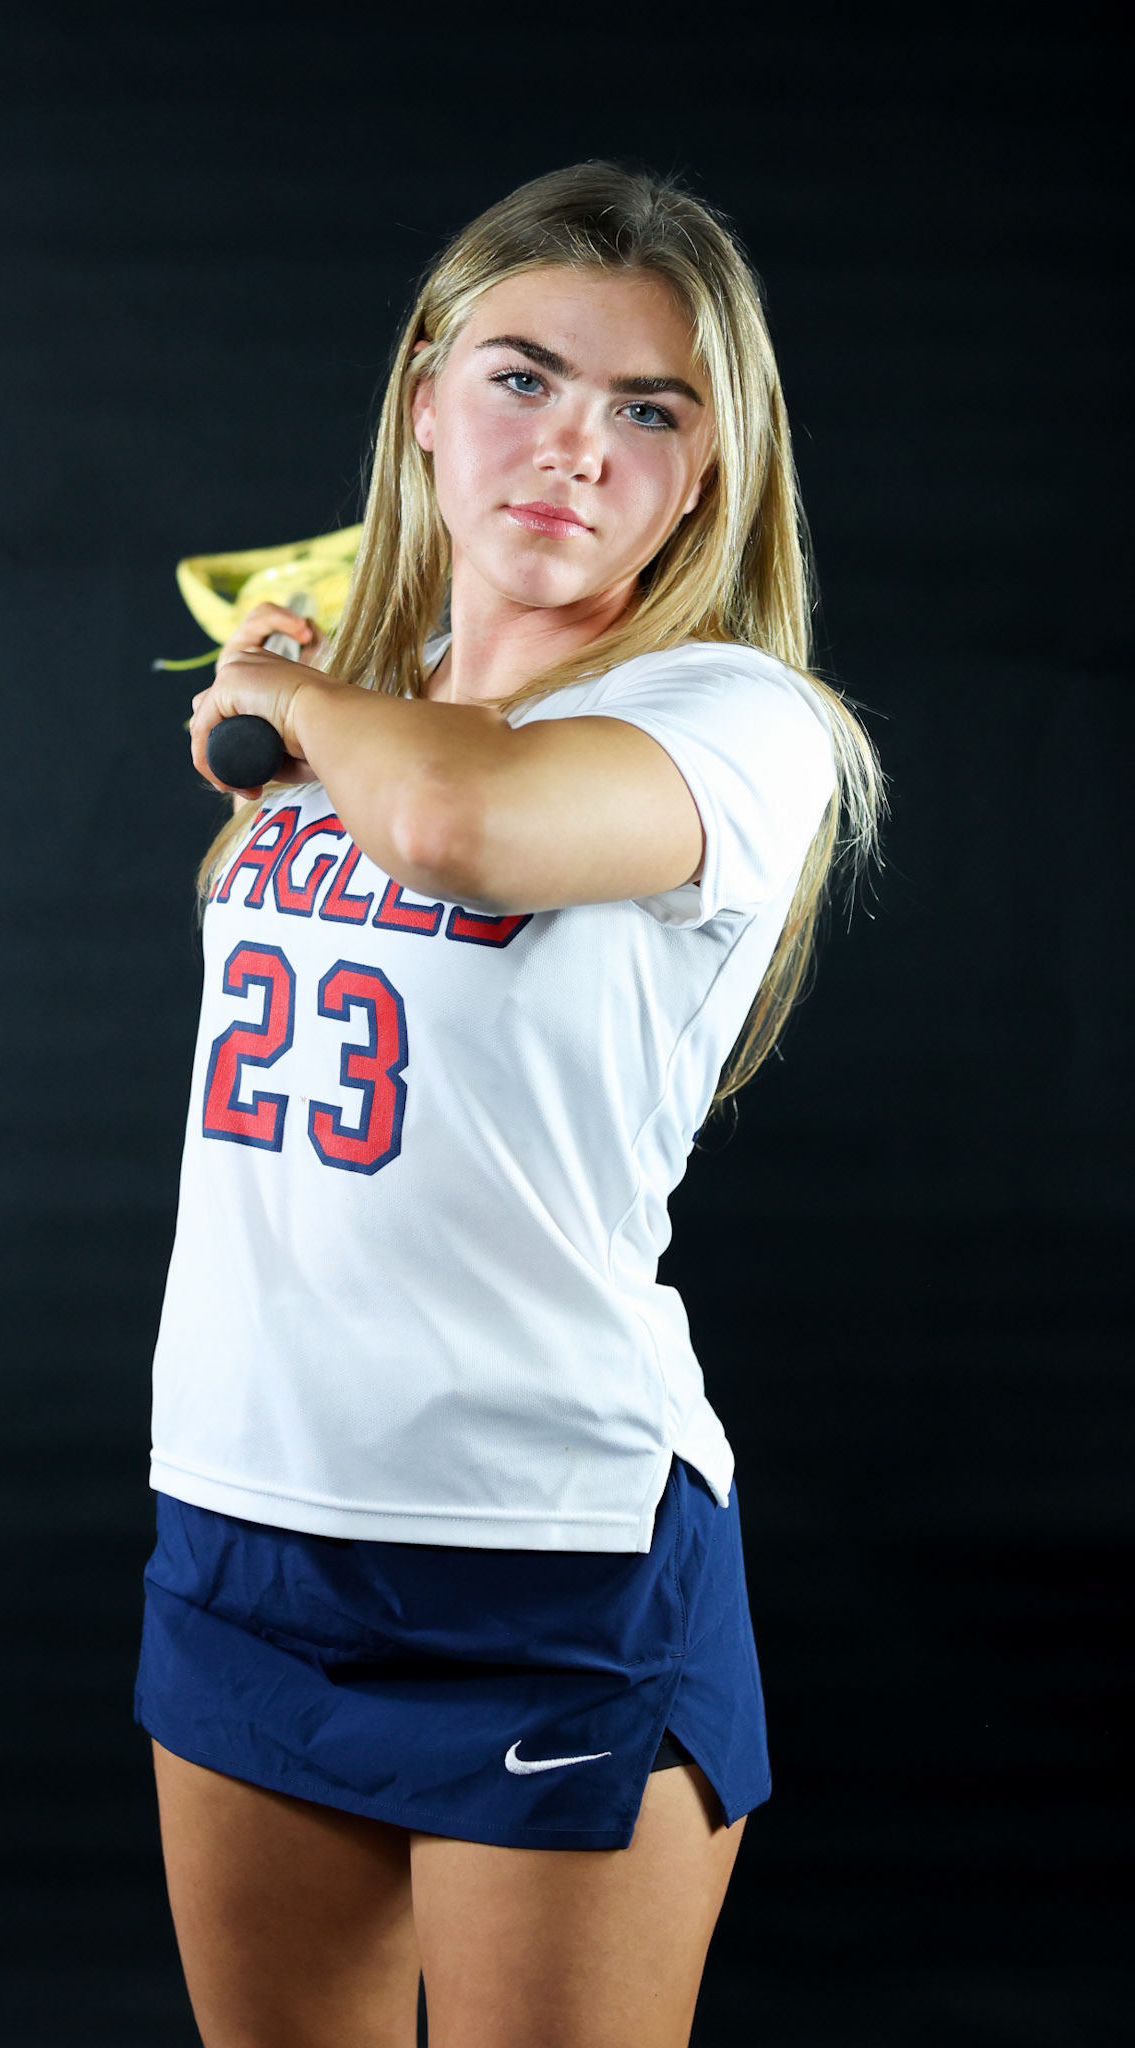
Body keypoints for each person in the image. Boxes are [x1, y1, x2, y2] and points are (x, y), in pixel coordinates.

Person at [135, 162, 882, 2048]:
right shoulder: (356, 713)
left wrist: (281, 697)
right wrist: (323, 703)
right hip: (241, 1504)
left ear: (707, 475)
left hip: (544, 1551)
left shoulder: (733, 720)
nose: (573, 448)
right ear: (423, 398)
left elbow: (463, 825)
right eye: (522, 379)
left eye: (650, 411)